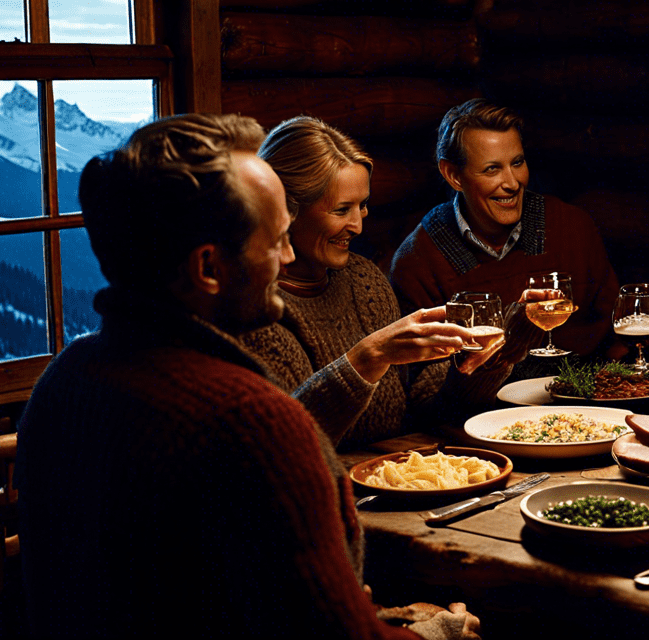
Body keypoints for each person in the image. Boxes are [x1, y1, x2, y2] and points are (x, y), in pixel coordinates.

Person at [14, 114, 477, 638]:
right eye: (276, 239)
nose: (285, 257)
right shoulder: (249, 421)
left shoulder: (64, 381)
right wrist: (437, 632)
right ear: (209, 269)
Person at [239, 116, 534, 450]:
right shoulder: (254, 308)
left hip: (393, 478)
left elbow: (422, 409)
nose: (357, 226)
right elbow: (282, 445)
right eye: (341, 210)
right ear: (286, 211)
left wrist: (488, 356)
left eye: (362, 206)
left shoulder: (364, 280)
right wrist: (367, 359)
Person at [389, 99, 620, 362]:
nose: (512, 183)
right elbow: (426, 386)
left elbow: (616, 337)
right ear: (453, 175)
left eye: (518, 163)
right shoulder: (418, 262)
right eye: (492, 169)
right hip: (485, 403)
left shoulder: (573, 227)